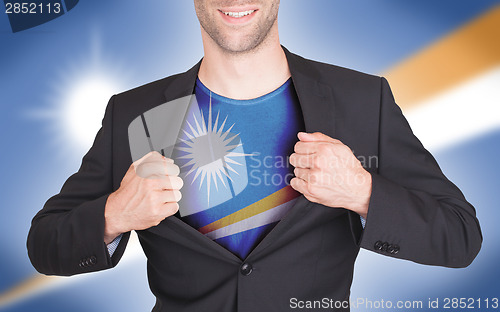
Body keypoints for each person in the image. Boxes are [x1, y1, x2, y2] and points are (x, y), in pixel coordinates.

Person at [27, 1, 482, 311]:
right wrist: (114, 214)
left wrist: (363, 192)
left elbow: (460, 236)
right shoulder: (134, 113)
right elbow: (44, 245)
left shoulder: (363, 100)